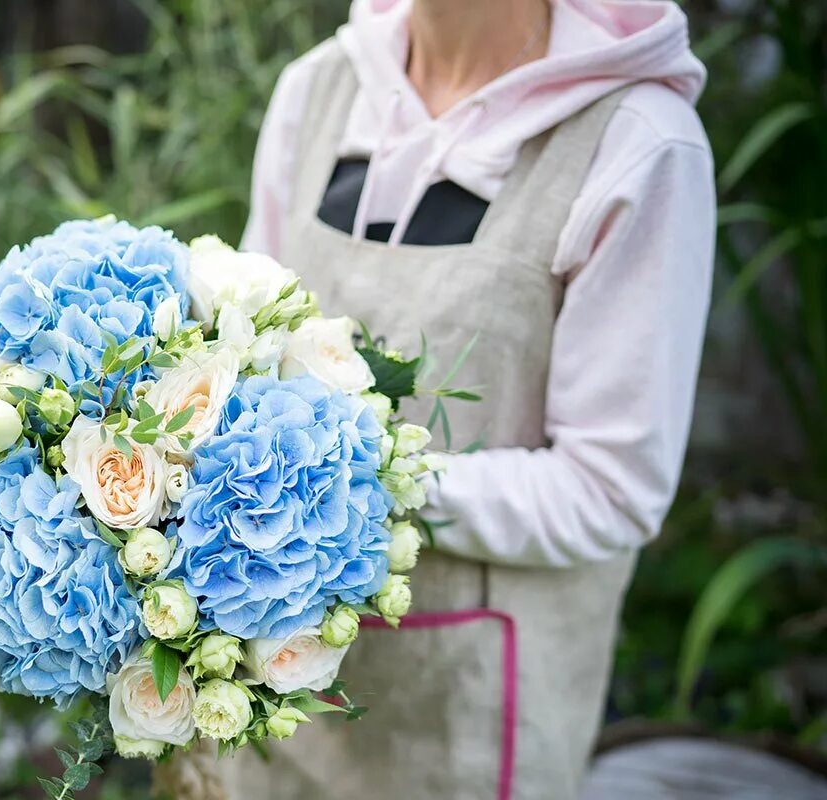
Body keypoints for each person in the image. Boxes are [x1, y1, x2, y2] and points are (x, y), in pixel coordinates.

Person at [221, 0, 715, 797]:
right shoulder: (319, 90)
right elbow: (240, 346)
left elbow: (611, 489)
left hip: (465, 705)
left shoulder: (636, 144)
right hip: (270, 681)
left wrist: (356, 481)